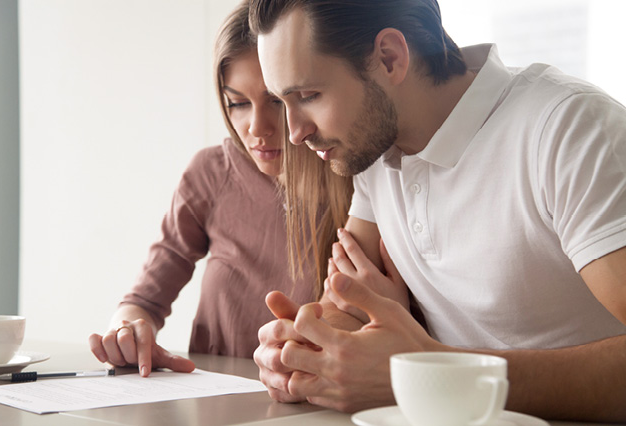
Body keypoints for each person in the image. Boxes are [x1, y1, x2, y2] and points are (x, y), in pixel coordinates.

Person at [248, 0, 626, 422]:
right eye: (284, 102)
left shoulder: (567, 129)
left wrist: (427, 370)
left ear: (390, 58)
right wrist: (309, 351)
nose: (295, 133)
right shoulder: (375, 153)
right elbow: (346, 308)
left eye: (308, 96)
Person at [88, 0, 352, 378]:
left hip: (315, 398)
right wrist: (128, 330)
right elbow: (143, 300)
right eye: (237, 103)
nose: (256, 128)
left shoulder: (357, 178)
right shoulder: (211, 173)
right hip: (216, 400)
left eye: (275, 101)